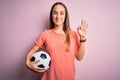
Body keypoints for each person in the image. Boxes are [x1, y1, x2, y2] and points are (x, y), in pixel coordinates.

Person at [25, 2, 88, 80]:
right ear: (51, 15)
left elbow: (79, 57)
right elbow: (31, 52)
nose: (58, 16)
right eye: (55, 13)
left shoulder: (73, 34)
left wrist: (83, 38)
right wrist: (28, 64)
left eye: (61, 13)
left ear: (65, 16)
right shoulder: (45, 34)